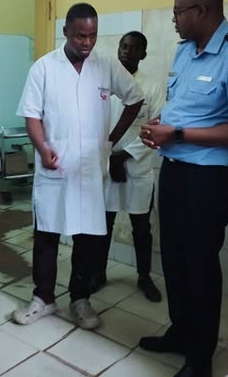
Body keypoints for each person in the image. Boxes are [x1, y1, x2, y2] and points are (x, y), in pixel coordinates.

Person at [139, 0, 228, 377]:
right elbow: (184, 107)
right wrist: (161, 125)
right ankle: (180, 332)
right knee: (174, 260)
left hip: (208, 181)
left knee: (200, 266)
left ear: (202, 11)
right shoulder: (185, 50)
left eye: (179, 12)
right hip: (174, 172)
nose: (174, 19)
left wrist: (176, 134)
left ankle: (200, 358)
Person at [12, 3, 144, 330]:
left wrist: (111, 139)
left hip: (89, 170)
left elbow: (135, 97)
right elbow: (31, 115)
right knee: (47, 233)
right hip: (54, 167)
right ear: (66, 32)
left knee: (87, 237)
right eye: (80, 36)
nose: (87, 42)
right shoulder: (44, 68)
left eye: (93, 35)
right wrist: (42, 148)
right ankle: (43, 298)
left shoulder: (106, 65)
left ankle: (80, 299)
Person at [91, 31, 165, 302]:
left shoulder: (152, 87)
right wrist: (110, 157)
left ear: (142, 54)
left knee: (142, 228)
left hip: (137, 168)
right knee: (105, 223)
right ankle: (99, 273)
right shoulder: (104, 84)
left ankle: (144, 277)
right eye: (123, 46)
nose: (126, 51)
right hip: (107, 165)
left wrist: (123, 156)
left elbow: (156, 129)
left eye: (133, 48)